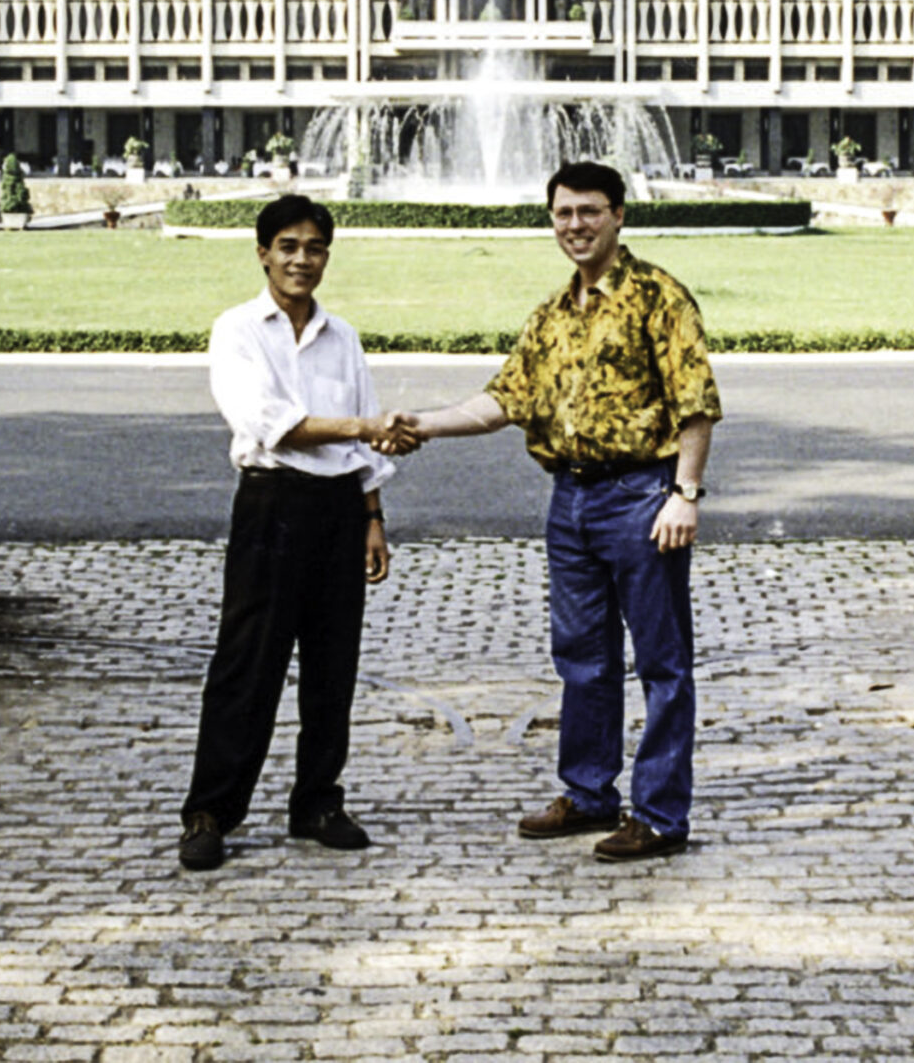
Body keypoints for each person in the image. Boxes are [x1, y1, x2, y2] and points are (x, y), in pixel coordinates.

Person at [399, 161, 721, 861]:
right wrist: (422, 422)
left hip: (643, 495)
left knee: (662, 665)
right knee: (582, 658)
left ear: (618, 216)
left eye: (589, 212)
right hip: (570, 499)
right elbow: (502, 401)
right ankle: (589, 794)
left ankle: (661, 815)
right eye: (563, 213)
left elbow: (696, 404)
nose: (575, 225)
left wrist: (684, 495)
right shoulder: (551, 315)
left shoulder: (657, 297)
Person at [177, 194, 415, 873]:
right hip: (272, 503)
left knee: (333, 663)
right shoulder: (237, 330)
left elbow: (365, 433)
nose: (301, 260)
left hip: (340, 509)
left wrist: (373, 517)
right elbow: (270, 422)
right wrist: (364, 429)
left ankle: (317, 800)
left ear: (326, 257)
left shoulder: (342, 336)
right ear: (262, 253)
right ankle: (210, 811)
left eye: (314, 248)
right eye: (288, 247)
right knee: (248, 663)